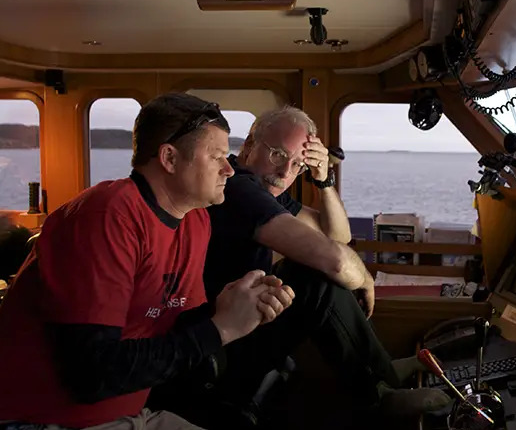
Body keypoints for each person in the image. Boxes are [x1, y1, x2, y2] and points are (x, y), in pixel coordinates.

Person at [0, 93, 294, 430]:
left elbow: (173, 323)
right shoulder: (107, 215)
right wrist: (220, 327)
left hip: (121, 415)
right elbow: (91, 374)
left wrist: (230, 306)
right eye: (216, 157)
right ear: (169, 157)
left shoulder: (195, 221)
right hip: (30, 419)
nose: (229, 168)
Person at [150, 106, 450, 427]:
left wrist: (322, 181)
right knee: (313, 275)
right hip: (218, 343)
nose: (284, 173)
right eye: (278, 154)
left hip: (239, 325)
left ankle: (383, 374)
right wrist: (364, 278)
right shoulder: (238, 187)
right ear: (249, 145)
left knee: (313, 271)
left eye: (297, 165)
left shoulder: (267, 192)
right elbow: (335, 259)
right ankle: (377, 395)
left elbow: (337, 235)